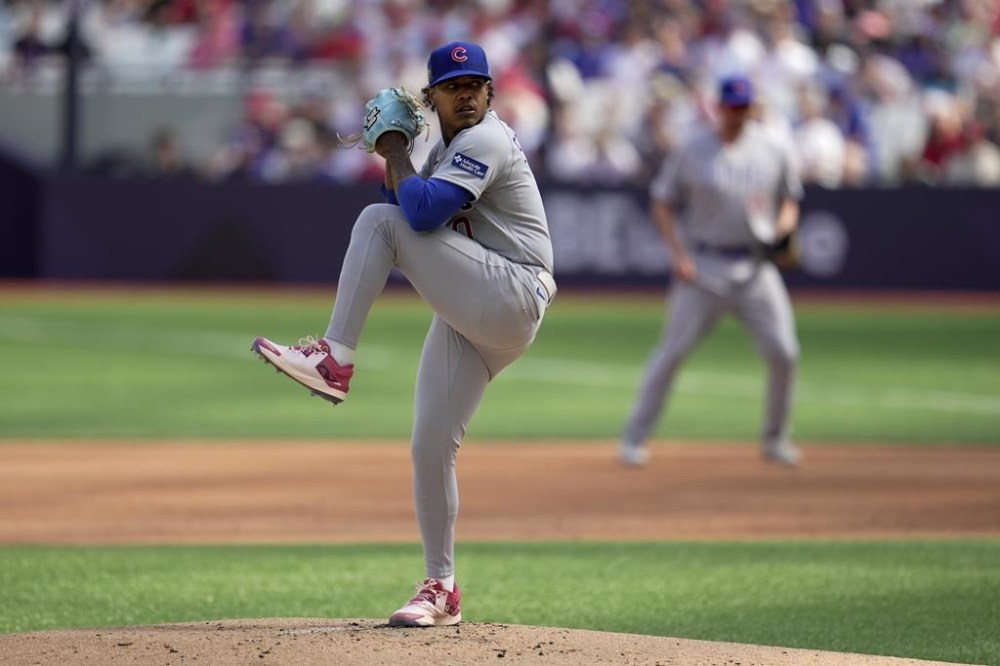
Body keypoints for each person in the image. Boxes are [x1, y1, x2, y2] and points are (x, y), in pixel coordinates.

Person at [251, 41, 555, 626]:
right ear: (432, 96)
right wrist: (396, 151)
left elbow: (411, 217)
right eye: (454, 87)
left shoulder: (486, 138)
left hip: (512, 291)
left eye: (476, 86)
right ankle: (441, 587)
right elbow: (405, 198)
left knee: (376, 224)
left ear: (490, 93)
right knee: (430, 446)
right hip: (478, 312)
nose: (467, 95)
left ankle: (333, 359)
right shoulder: (443, 146)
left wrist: (391, 144)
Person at [617, 75, 802, 469]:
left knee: (784, 353)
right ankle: (634, 438)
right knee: (671, 354)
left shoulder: (772, 150)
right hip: (703, 266)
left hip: (756, 267)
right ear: (719, 107)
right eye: (731, 106)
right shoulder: (693, 149)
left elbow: (789, 199)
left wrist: (783, 228)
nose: (737, 114)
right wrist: (677, 254)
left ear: (752, 108)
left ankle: (775, 439)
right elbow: (661, 202)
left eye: (743, 107)